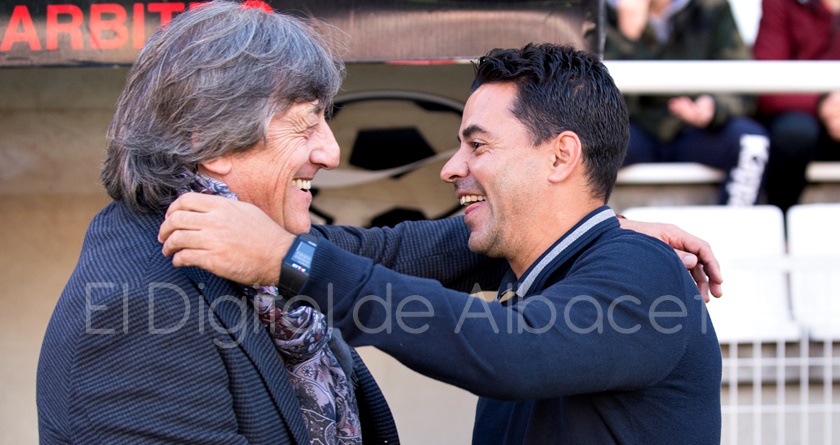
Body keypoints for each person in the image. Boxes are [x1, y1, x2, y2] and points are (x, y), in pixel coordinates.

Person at [160, 43, 723, 444]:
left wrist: (290, 259)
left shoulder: (645, 271)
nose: (452, 168)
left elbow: (512, 352)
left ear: (561, 156)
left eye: (478, 146)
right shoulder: (547, 264)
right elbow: (381, 254)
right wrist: (250, 237)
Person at [36, 2, 402, 443]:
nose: (331, 153)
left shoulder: (236, 237)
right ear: (214, 143)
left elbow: (397, 250)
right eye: (306, 126)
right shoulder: (142, 312)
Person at [604, 0, 770, 206]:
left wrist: (713, 106)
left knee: (752, 143)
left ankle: (735, 225)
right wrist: (627, 38)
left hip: (693, 128)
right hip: (630, 127)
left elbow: (741, 78)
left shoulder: (711, 7)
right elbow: (589, 92)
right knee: (579, 145)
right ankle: (589, 227)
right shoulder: (599, 11)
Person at [752, 0, 840, 214]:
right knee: (794, 132)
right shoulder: (782, 4)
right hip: (800, 119)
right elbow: (767, 82)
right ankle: (781, 220)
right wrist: (824, 103)